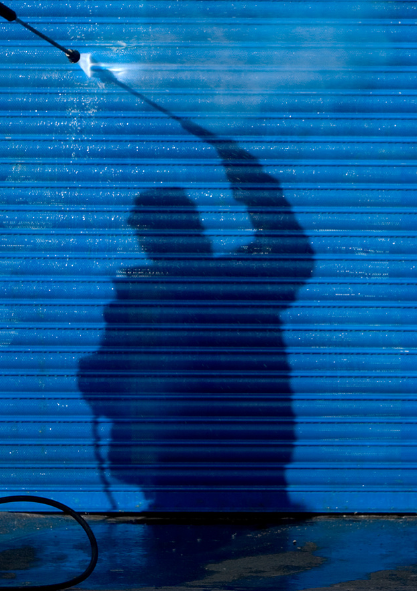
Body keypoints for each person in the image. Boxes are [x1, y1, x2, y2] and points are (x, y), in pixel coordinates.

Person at [77, 116, 314, 511]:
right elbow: (289, 248)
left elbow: (105, 380)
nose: (143, 240)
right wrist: (253, 180)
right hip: (227, 465)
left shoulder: (221, 283)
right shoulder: (236, 280)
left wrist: (252, 180)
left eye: (147, 231)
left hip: (204, 468)